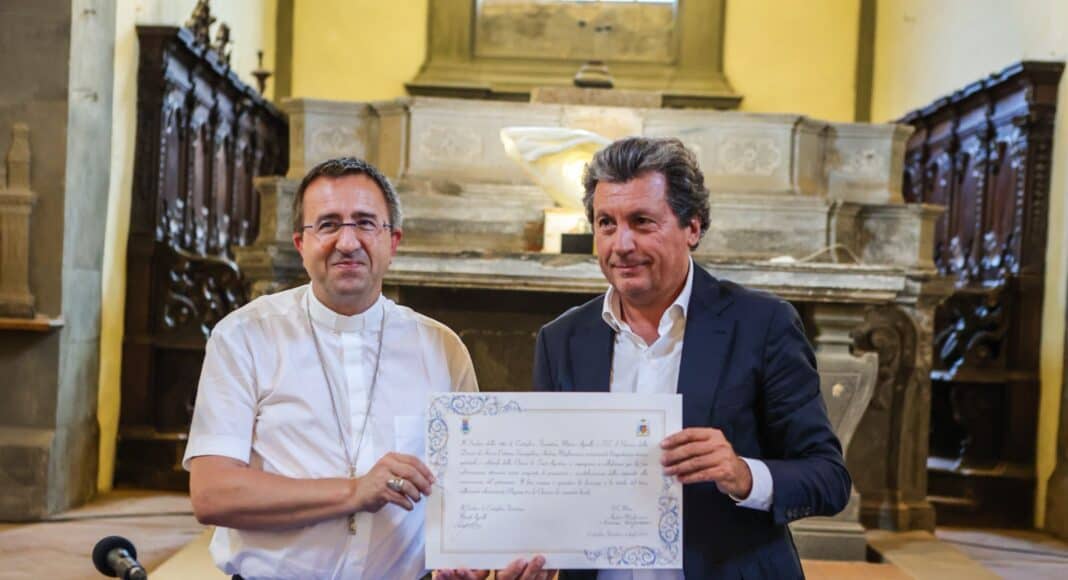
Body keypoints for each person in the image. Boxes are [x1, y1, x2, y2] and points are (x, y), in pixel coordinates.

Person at [532, 137, 852, 579]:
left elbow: (829, 479)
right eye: (606, 223)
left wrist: (743, 475)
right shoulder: (562, 338)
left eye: (642, 222)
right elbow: (548, 482)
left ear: (693, 227)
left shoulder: (763, 325)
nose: (620, 244)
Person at [184, 157, 483, 579]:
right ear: (300, 243)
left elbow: (467, 489)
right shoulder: (243, 337)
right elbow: (212, 494)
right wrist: (355, 491)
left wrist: (466, 557)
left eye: (364, 223)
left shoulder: (442, 348)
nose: (347, 241)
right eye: (327, 224)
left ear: (393, 241)